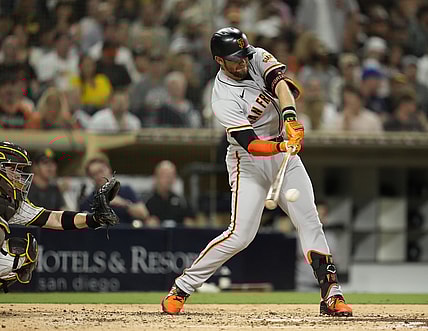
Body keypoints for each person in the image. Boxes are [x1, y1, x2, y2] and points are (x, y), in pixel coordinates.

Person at [161, 27, 352, 317]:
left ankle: (332, 294)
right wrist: (282, 145)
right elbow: (250, 144)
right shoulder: (222, 97)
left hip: (284, 156)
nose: (242, 62)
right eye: (235, 58)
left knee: (310, 219)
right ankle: (181, 288)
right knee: (241, 235)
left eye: (243, 55)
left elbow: (282, 86)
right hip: (247, 161)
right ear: (219, 60)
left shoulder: (257, 57)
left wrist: (290, 119)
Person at [0, 141, 120, 292]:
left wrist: (93, 219)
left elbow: (53, 219)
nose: (19, 175)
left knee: (23, 251)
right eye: (15, 169)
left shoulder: (11, 201)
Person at [80, 154, 149, 225]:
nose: (99, 176)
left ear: (109, 169)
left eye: (101, 171)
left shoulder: (126, 191)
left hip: (127, 233)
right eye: (94, 174)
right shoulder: (89, 201)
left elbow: (144, 214)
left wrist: (124, 204)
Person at [145, 160, 195, 227]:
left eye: (171, 175)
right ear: (156, 177)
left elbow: (191, 221)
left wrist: (189, 224)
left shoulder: (182, 201)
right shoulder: (146, 200)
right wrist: (146, 223)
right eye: (164, 175)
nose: (168, 179)